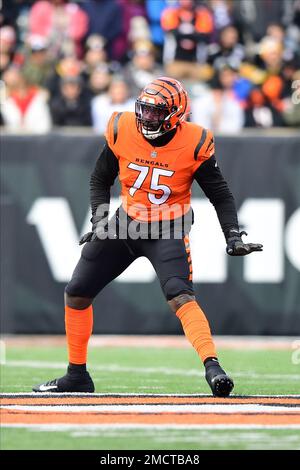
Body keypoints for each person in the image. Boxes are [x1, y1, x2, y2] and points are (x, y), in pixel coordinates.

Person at [33, 77, 262, 396]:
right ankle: (77, 376)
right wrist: (100, 218)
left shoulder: (195, 142)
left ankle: (213, 367)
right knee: (77, 292)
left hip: (168, 227)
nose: (145, 118)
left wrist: (232, 235)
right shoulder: (121, 127)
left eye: (155, 113)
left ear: (175, 115)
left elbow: (220, 194)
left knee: (180, 296)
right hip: (126, 223)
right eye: (143, 110)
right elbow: (100, 179)